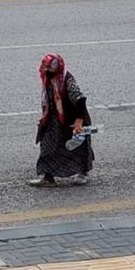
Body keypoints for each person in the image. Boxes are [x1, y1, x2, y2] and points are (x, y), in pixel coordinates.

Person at [28, 53, 94, 187]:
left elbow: (79, 99)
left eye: (49, 69)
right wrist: (44, 118)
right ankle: (48, 177)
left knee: (77, 146)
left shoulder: (67, 80)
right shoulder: (48, 78)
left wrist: (79, 120)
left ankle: (83, 173)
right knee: (48, 145)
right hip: (54, 118)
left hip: (72, 117)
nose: (46, 72)